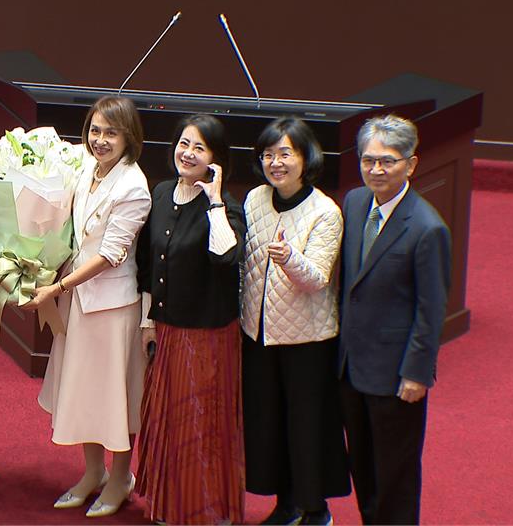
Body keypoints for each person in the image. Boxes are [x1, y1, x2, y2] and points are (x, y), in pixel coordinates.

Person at [25, 96, 151, 518]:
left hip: (112, 307)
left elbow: (110, 254)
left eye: (111, 133)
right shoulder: (85, 170)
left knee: (114, 397)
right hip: (79, 300)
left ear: (129, 137)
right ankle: (92, 473)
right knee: (83, 393)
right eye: (95, 131)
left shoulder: (133, 186)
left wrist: (56, 286)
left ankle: (120, 479)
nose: (100, 140)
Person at [338, 115, 451, 525]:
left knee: (396, 475)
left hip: (396, 375)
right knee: (363, 467)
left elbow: (431, 309)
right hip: (351, 367)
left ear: (411, 164)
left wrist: (417, 374)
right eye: (368, 160)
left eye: (388, 161)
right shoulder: (353, 202)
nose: (376, 170)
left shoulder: (426, 228)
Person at [134, 114, 246, 525]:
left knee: (198, 425)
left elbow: (225, 257)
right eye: (184, 144)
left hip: (206, 336)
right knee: (170, 423)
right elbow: (147, 263)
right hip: (167, 328)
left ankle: (203, 512)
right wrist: (148, 319)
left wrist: (214, 199)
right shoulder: (162, 192)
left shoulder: (226, 208)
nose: (188, 153)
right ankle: (169, 507)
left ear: (216, 160)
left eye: (199, 148)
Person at [240, 117, 350, 525]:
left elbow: (317, 279)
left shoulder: (325, 211)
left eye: (285, 153)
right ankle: (285, 505)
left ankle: (316, 509)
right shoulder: (254, 199)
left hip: (308, 340)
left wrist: (289, 260)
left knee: (307, 427)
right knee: (267, 423)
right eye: (268, 154)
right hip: (257, 336)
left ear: (306, 157)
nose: (276, 163)